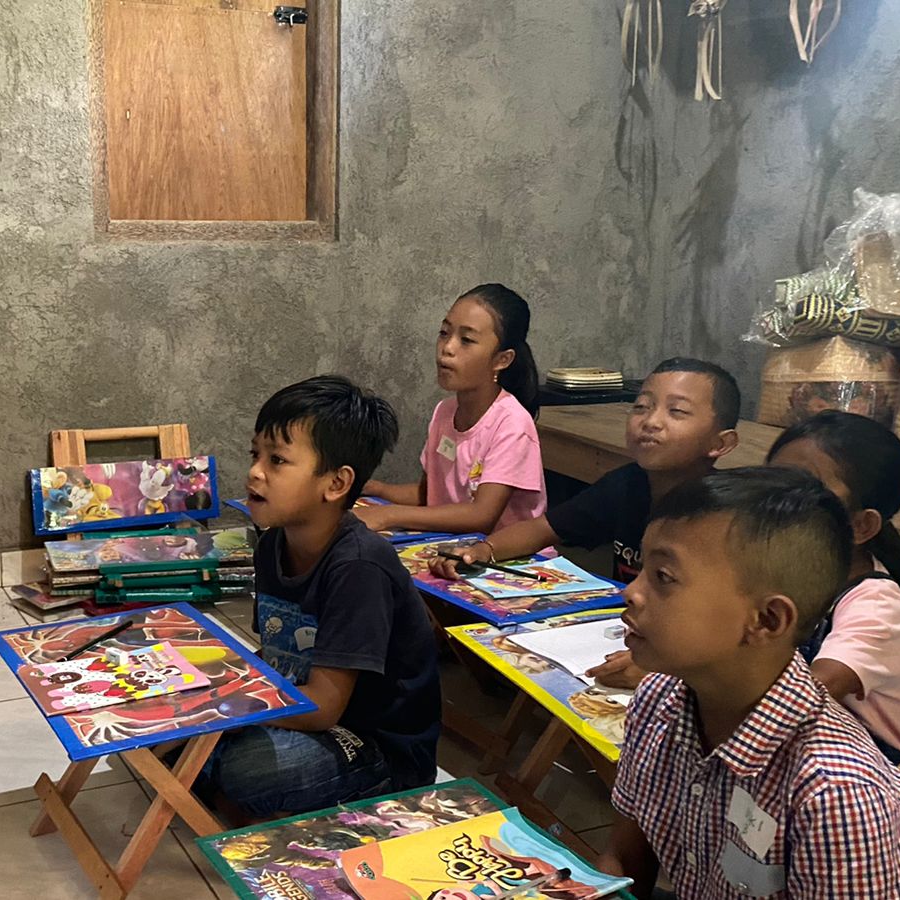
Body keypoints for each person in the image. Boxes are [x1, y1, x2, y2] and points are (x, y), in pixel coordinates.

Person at [597, 467, 900, 899]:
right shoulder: (658, 698)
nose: (631, 592)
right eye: (642, 567)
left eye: (664, 577)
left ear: (767, 620)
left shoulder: (837, 793)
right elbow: (624, 860)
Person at [197, 375, 442, 821]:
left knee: (245, 769)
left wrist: (226, 711)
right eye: (255, 454)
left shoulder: (359, 566)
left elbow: (325, 708)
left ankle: (223, 782)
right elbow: (276, 653)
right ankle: (216, 778)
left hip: (373, 744)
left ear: (336, 483)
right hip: (308, 712)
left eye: (277, 460)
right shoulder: (272, 544)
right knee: (174, 724)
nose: (255, 472)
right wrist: (211, 696)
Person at [431, 357, 740, 688]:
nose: (651, 421)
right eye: (642, 407)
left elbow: (732, 631)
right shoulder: (627, 484)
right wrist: (483, 550)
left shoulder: (723, 518)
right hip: (625, 630)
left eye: (676, 411)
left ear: (720, 443)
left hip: (689, 662)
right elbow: (543, 528)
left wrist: (667, 669)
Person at [767, 410, 900, 794]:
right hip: (809, 754)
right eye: (770, 482)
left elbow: (811, 691)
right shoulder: (782, 569)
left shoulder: (876, 605)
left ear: (861, 526)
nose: (772, 504)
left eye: (803, 491)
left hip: (885, 784)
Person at [360, 284, 546, 534]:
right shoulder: (444, 412)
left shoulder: (512, 424)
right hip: (452, 544)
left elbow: (481, 516)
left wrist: (387, 515)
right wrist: (376, 490)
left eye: (466, 340)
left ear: (502, 359)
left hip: (505, 554)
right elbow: (431, 495)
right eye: (444, 333)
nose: (447, 348)